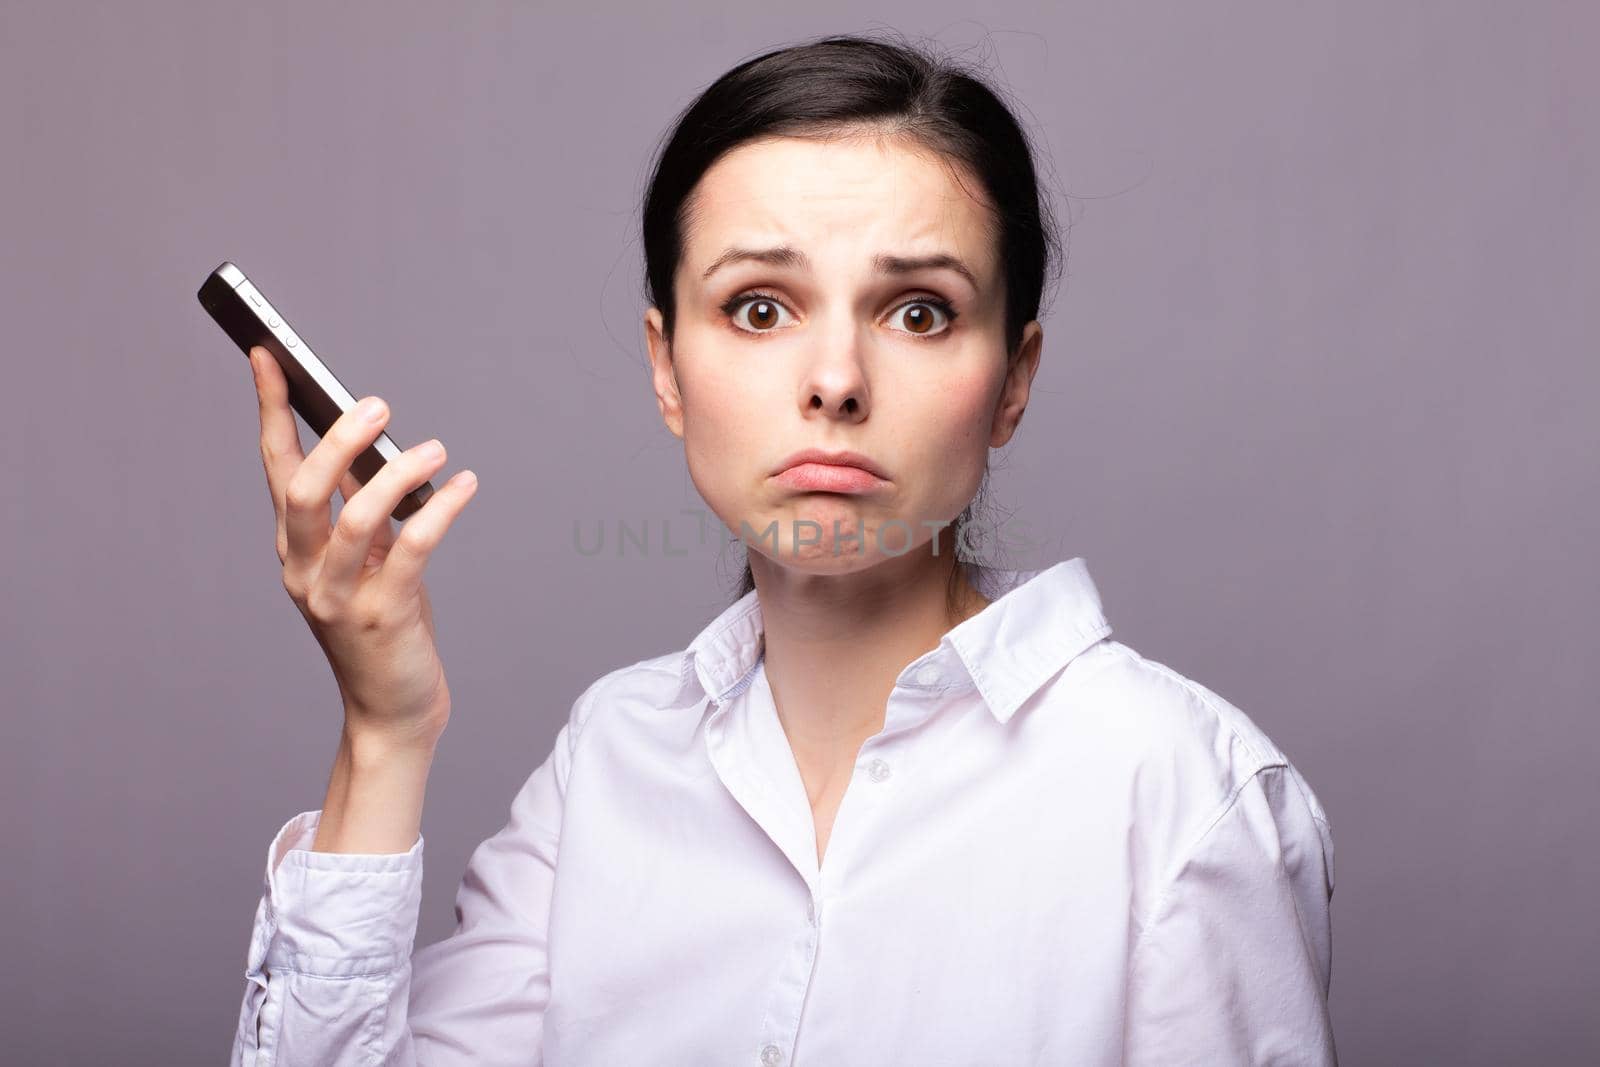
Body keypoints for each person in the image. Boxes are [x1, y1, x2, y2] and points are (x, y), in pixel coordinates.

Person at [229, 32, 1336, 1067]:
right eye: (759, 308)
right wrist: (384, 733)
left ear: (1014, 380)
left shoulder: (1181, 789)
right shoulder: (611, 760)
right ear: (666, 365)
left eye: (918, 313)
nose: (837, 378)